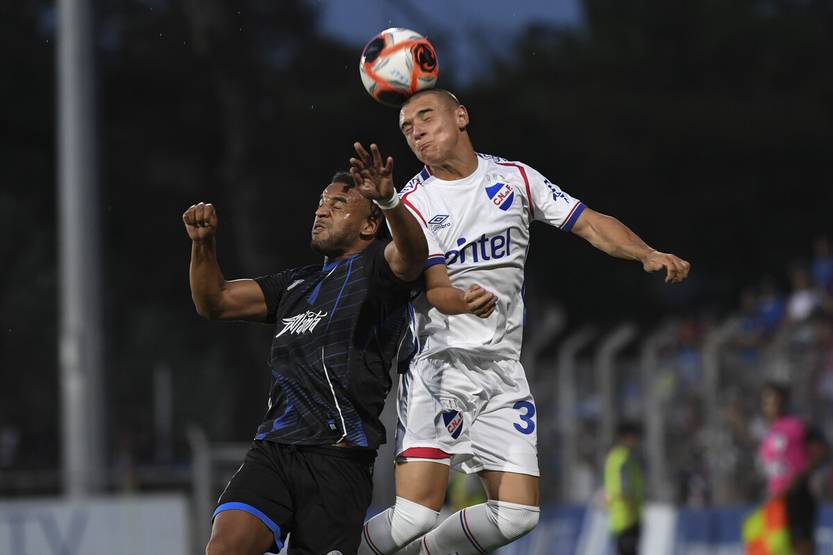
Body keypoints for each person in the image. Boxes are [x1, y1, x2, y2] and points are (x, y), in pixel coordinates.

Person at [357, 89, 691, 555]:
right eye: (407, 128)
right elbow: (430, 289)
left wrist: (646, 253)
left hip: (503, 369)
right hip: (441, 364)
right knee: (415, 514)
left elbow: (589, 222)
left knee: (517, 516)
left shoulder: (514, 179)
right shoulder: (411, 203)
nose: (416, 132)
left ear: (461, 115)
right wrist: (462, 303)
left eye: (426, 117)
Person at [184, 151, 433, 555]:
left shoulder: (377, 270)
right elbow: (215, 301)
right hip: (274, 450)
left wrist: (389, 202)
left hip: (337, 461)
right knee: (224, 548)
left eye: (338, 205)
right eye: (320, 203)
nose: (321, 212)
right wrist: (203, 245)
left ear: (370, 224)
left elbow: (413, 255)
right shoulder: (295, 284)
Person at [759, 382, 825, 555]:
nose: (772, 406)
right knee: (778, 548)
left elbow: (822, 452)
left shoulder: (796, 425)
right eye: (768, 401)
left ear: (785, 402)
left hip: (798, 496)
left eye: (776, 401)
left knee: (802, 545)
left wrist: (798, 478)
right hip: (777, 499)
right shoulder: (769, 431)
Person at [604, 422, 644, 555]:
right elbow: (624, 488)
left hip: (620, 518)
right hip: (628, 518)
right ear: (627, 437)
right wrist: (632, 505)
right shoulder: (624, 458)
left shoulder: (615, 457)